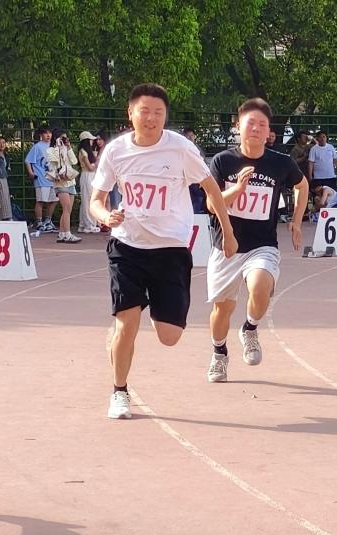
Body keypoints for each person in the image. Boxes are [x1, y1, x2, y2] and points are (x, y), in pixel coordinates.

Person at [88, 83, 237, 419]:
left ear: (165, 116)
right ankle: (119, 391)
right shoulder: (116, 151)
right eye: (145, 111)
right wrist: (105, 217)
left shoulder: (180, 148)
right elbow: (96, 200)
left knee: (169, 336)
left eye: (158, 112)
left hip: (170, 250)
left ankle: (130, 329)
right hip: (127, 247)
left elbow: (211, 188)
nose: (151, 118)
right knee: (127, 323)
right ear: (131, 113)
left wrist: (228, 233)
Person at [206, 98, 308, 382]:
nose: (256, 128)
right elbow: (212, 204)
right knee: (222, 308)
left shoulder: (280, 162)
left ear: (269, 132)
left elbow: (302, 186)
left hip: (263, 244)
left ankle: (250, 329)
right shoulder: (223, 161)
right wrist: (237, 189)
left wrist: (297, 221)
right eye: (250, 123)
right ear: (238, 127)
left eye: (262, 124)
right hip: (226, 246)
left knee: (261, 285)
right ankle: (219, 353)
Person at [46, 129, 82, 243]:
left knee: (68, 209)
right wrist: (58, 148)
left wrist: (68, 147)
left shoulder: (67, 148)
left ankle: (62, 233)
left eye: (65, 138)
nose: (64, 140)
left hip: (70, 180)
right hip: (60, 181)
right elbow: (55, 162)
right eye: (62, 138)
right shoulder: (50, 150)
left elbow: (74, 161)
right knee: (66, 208)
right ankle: (67, 234)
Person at [25, 126, 56, 231]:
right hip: (41, 178)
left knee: (53, 200)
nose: (48, 135)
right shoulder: (37, 147)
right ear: (41, 135)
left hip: (53, 178)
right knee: (41, 201)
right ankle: (39, 222)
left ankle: (48, 220)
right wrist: (31, 172)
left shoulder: (53, 146)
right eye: (46, 133)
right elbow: (28, 160)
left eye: (50, 133)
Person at [77, 131, 101, 232]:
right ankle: (89, 224)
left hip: (88, 175)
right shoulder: (84, 152)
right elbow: (90, 168)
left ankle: (83, 224)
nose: (92, 141)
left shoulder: (85, 151)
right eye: (90, 140)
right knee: (89, 200)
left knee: (86, 200)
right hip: (88, 175)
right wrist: (97, 161)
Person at [182, 127, 208, 214]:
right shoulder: (181, 148)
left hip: (196, 180)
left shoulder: (198, 149)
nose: (190, 138)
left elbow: (204, 165)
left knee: (198, 199)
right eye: (188, 136)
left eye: (192, 136)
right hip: (185, 180)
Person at [0, 136, 12, 221]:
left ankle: (7, 216)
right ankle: (2, 217)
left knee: (6, 198)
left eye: (3, 143)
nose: (2, 145)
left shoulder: (5, 155)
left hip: (4, 177)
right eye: (0, 143)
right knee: (0, 198)